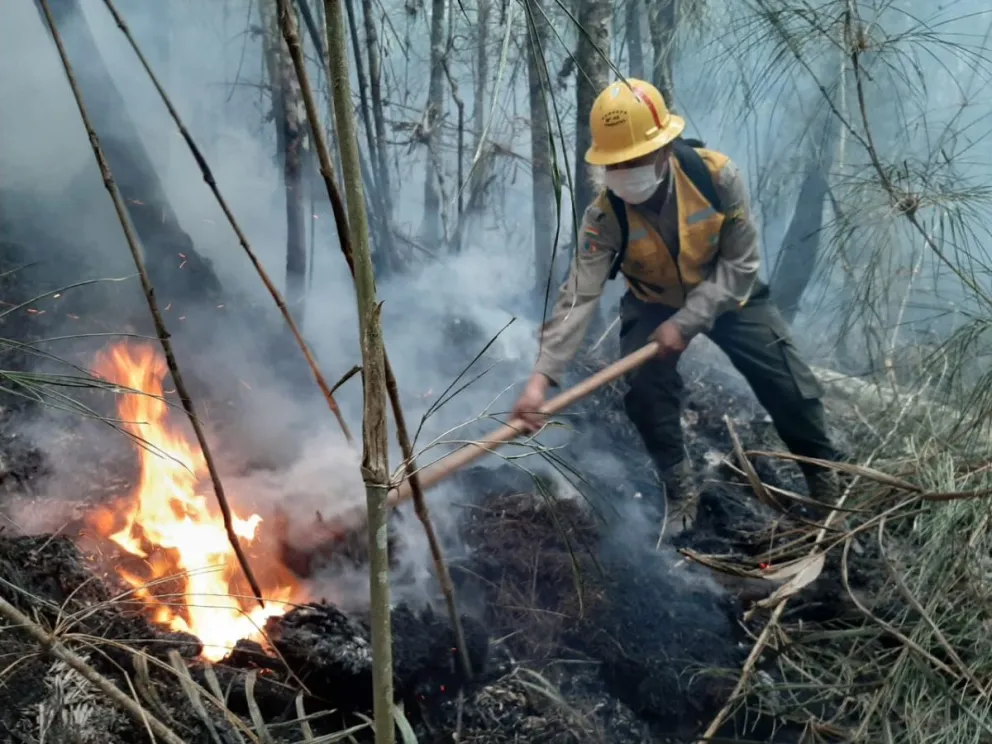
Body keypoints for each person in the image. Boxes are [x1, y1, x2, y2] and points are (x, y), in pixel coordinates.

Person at [511, 78, 842, 530]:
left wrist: (687, 323)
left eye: (635, 159)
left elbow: (741, 264)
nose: (625, 171)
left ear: (664, 149)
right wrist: (540, 379)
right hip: (654, 300)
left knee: (787, 380)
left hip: (726, 292)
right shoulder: (605, 216)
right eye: (615, 163)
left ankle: (824, 483)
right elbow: (579, 295)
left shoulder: (717, 177)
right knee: (645, 392)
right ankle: (679, 486)